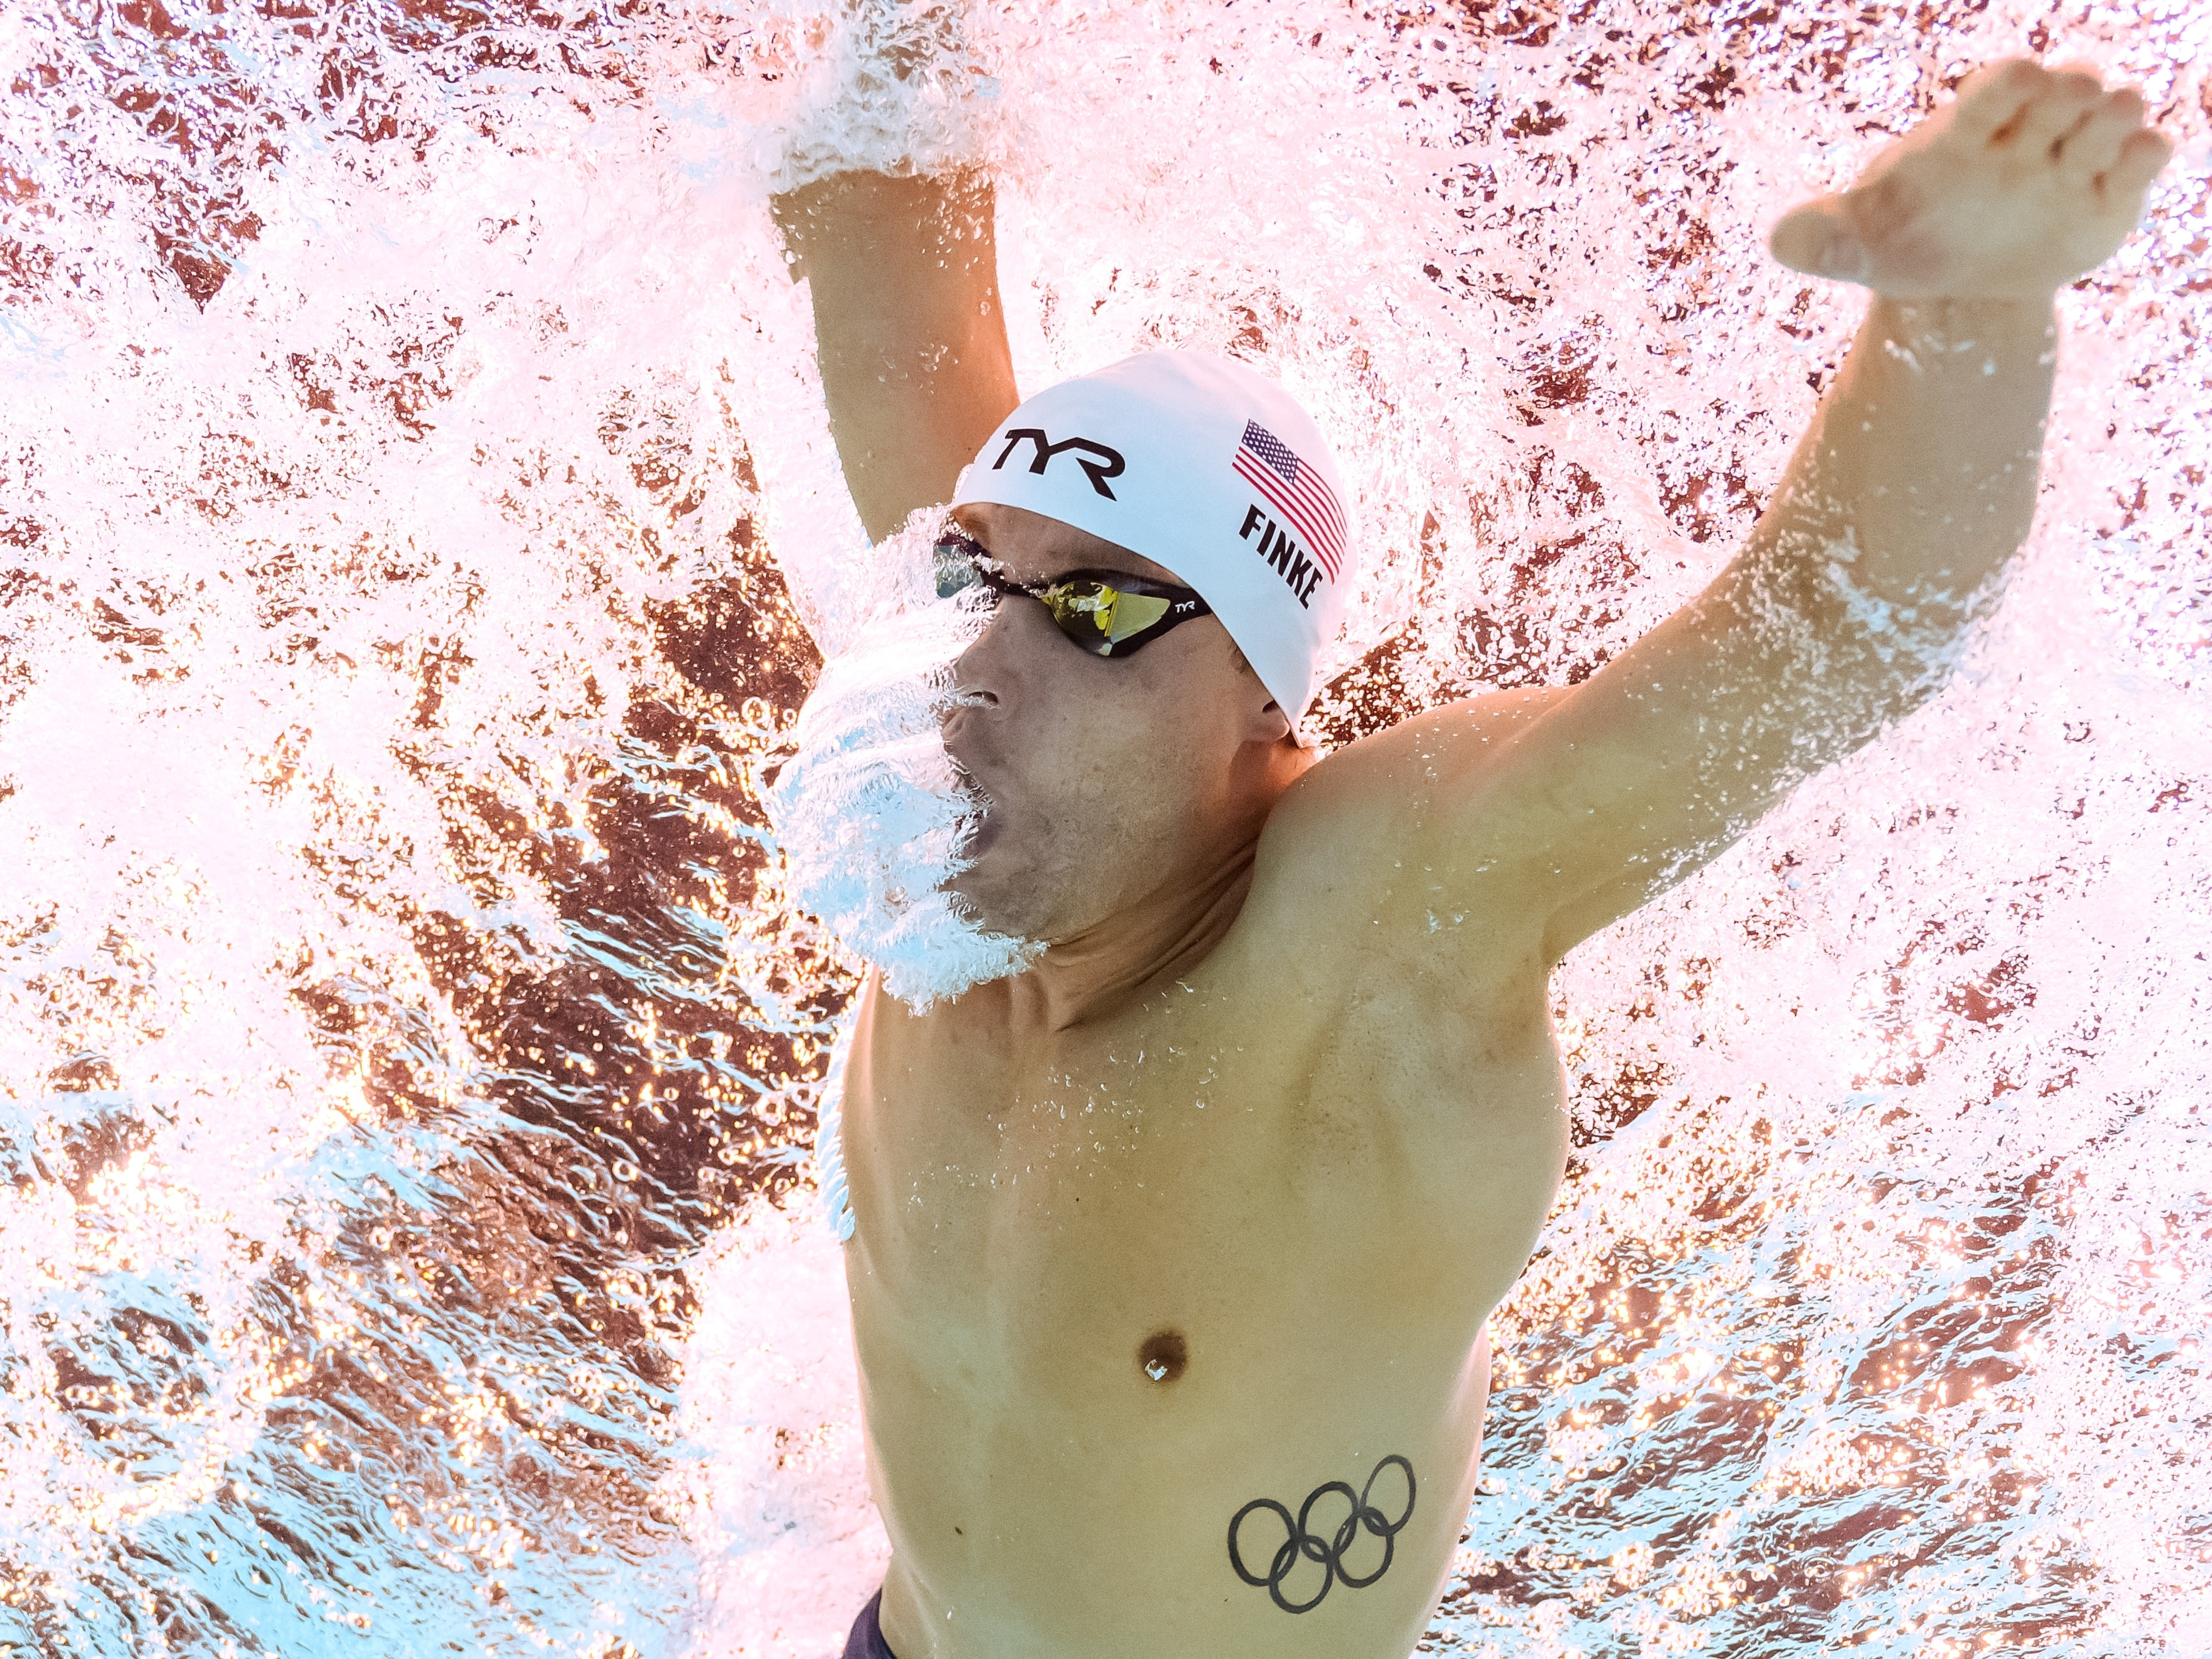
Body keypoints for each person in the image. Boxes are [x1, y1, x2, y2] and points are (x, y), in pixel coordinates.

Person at [767, 58, 2170, 1659]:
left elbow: (1818, 650)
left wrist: (1968, 310)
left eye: (1095, 610)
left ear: (1259, 708)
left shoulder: (1363, 934)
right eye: (969, 580)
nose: (979, 660)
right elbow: (878, 203)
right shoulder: (957, 742)